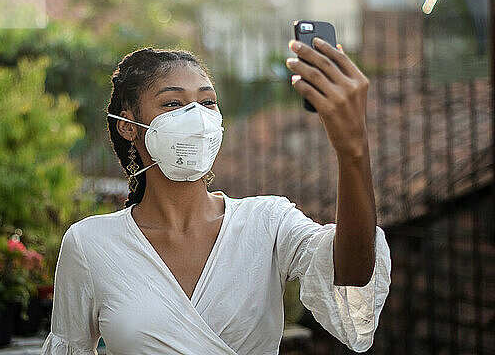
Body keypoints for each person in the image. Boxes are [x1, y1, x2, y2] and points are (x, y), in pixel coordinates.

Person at [41, 40, 392, 355]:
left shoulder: (268, 222)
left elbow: (353, 270)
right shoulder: (90, 244)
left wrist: (353, 151)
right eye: (174, 103)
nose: (196, 117)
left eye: (207, 101)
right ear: (128, 125)